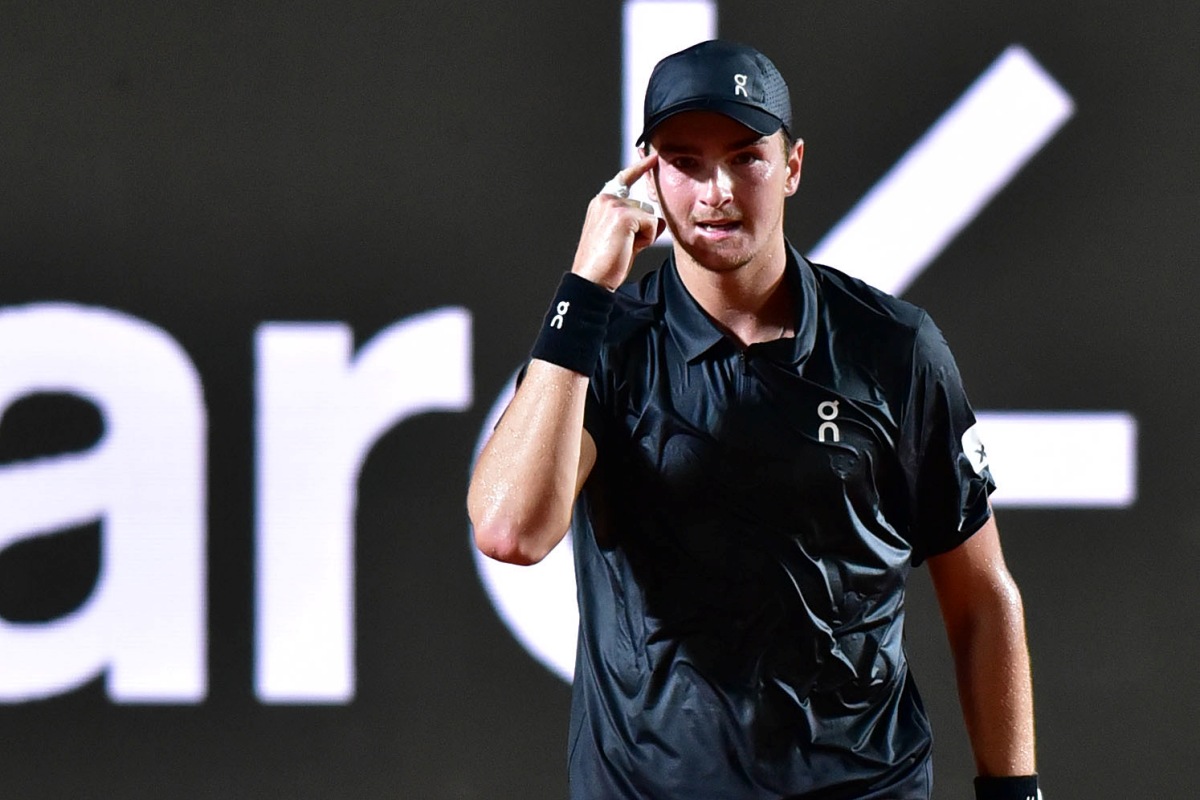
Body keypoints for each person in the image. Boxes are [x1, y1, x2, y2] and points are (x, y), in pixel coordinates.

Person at [468, 39, 1038, 800]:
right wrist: (585, 286)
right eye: (686, 162)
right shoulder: (602, 348)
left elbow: (981, 596)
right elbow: (510, 530)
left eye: (746, 159)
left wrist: (1015, 794)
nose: (717, 192)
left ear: (792, 166)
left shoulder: (893, 347)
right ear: (647, 176)